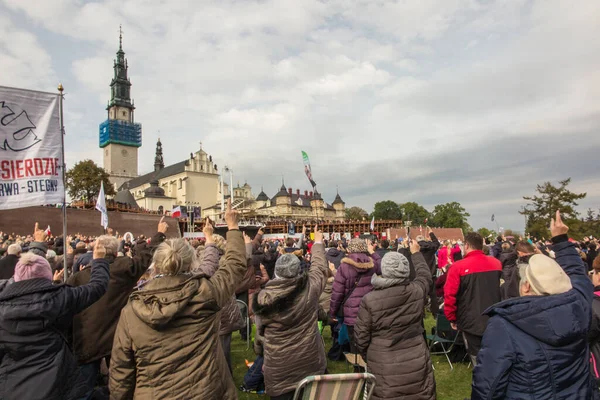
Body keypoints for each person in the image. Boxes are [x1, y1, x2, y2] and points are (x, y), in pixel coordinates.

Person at [109, 200, 246, 399]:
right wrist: (232, 226)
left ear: (156, 265)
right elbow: (234, 264)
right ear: (191, 263)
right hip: (206, 392)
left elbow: (121, 370)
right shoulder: (205, 294)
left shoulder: (131, 311)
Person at [472, 211, 600, 399]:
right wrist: (561, 240)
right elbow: (579, 277)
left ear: (525, 286)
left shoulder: (505, 325)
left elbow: (489, 385)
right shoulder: (580, 307)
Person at [67, 220, 166, 399]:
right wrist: (159, 233)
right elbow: (146, 256)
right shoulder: (124, 268)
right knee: (122, 385)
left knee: (83, 389)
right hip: (117, 337)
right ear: (114, 251)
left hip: (88, 339)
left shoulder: (78, 277)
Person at [0, 241, 110, 400]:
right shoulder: (60, 298)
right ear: (47, 276)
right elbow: (97, 286)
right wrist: (99, 259)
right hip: (56, 384)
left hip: (12, 386)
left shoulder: (3, 306)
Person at [253, 225, 328, 400]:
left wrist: (259, 350)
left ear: (277, 272)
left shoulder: (263, 298)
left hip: (280, 368)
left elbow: (260, 332)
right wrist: (317, 242)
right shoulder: (310, 289)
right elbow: (320, 268)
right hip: (309, 363)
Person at [354, 240, 436, 400]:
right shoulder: (416, 291)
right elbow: (425, 276)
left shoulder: (371, 299)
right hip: (406, 357)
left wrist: (370, 354)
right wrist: (416, 253)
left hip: (390, 358)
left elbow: (361, 338)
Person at [444, 232, 501, 365]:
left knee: (477, 358)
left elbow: (450, 295)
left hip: (471, 320)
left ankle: (483, 382)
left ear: (467, 245)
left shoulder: (457, 267)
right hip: (493, 317)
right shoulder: (496, 263)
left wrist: (452, 317)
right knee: (494, 355)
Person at [329, 238, 381, 355]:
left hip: (352, 313)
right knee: (370, 342)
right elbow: (381, 266)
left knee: (355, 344)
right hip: (370, 310)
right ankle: (370, 367)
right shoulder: (372, 264)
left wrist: (332, 312)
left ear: (349, 249)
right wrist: (373, 252)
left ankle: (358, 370)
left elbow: (337, 292)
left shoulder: (344, 267)